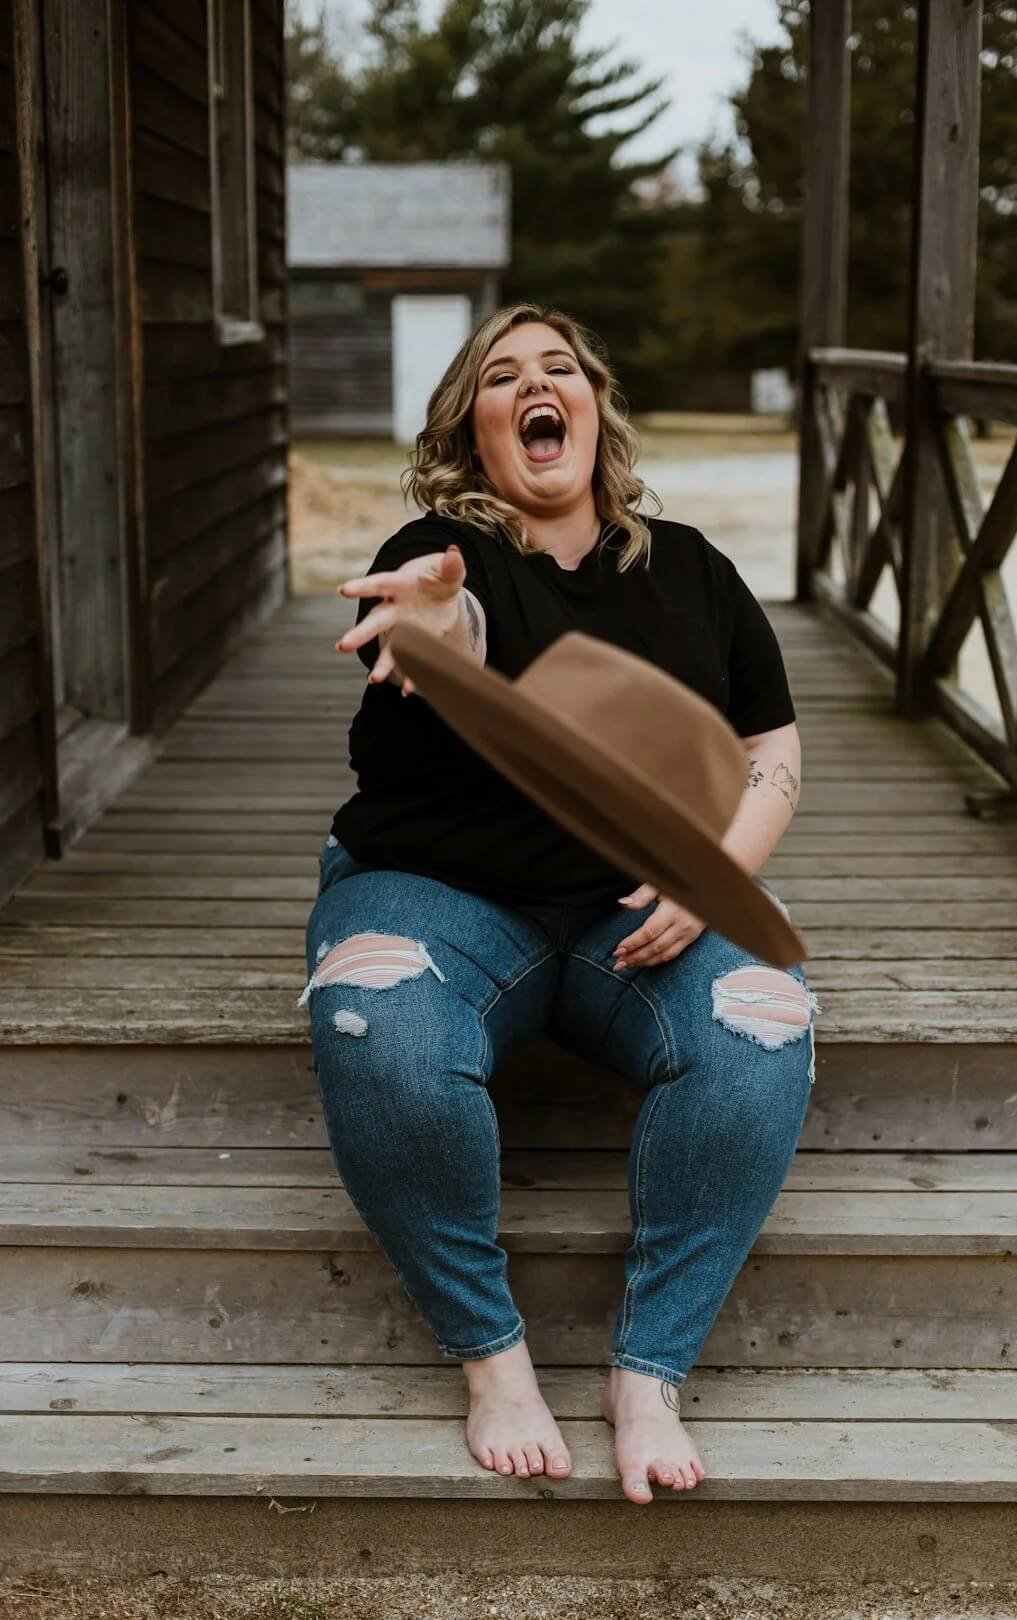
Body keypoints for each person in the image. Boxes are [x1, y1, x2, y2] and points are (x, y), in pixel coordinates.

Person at [299, 302, 818, 1507]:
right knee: (375, 1023)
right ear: (473, 433)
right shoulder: (446, 552)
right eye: (500, 377)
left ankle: (650, 1373)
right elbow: (452, 630)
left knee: (763, 1023)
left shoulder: (691, 567)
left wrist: (715, 870)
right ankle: (494, 1358)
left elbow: (773, 750)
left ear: (592, 404)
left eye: (558, 368)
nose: (536, 386)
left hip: (632, 920)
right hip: (439, 898)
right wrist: (433, 616)